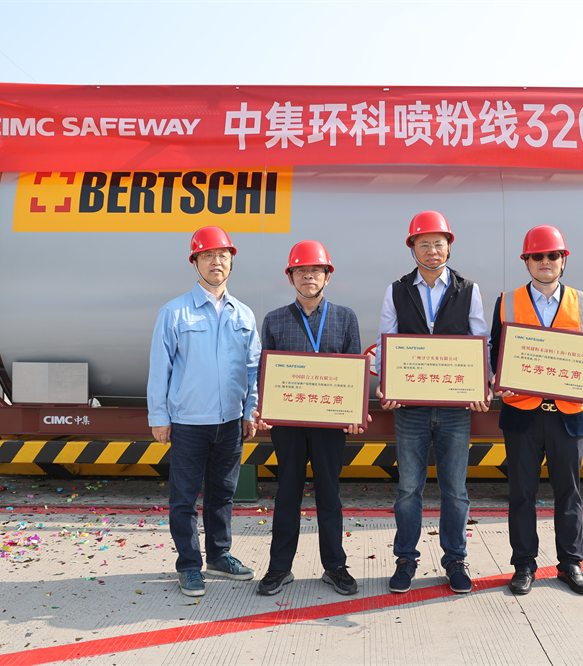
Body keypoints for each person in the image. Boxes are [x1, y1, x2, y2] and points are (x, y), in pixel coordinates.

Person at [374, 210, 492, 594]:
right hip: (410, 409)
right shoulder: (396, 291)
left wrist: (482, 385)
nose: (431, 250)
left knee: (455, 490)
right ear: (412, 248)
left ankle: (455, 559)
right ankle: (405, 559)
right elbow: (387, 339)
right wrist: (386, 384)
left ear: (449, 246)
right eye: (423, 244)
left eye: (438, 243)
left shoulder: (468, 290)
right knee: (408, 489)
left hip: (455, 408)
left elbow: (480, 341)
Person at [489, 225, 583, 597]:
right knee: (521, 494)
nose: (545, 261)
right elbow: (495, 353)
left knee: (568, 493)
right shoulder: (507, 301)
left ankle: (571, 563)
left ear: (563, 260)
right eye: (537, 256)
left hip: (568, 415)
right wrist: (496, 378)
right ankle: (524, 565)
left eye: (552, 255)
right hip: (521, 415)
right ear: (526, 261)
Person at [147, 225, 260, 598]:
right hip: (189, 423)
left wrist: (250, 411)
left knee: (222, 494)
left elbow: (253, 369)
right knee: (184, 498)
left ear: (231, 261)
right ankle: (189, 565)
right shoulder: (174, 312)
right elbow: (160, 368)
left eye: (223, 255)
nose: (217, 262)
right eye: (208, 255)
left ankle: (219, 556)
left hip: (230, 423)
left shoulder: (244, 314)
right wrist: (158, 417)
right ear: (195, 261)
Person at [253, 240, 370, 596]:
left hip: (329, 424)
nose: (308, 276)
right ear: (290, 277)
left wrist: (354, 412)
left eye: (316, 270)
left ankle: (334, 566)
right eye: (301, 271)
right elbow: (265, 372)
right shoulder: (274, 319)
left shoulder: (345, 317)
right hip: (288, 425)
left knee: (329, 494)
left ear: (327, 276)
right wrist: (263, 409)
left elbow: (353, 371)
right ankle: (279, 568)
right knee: (287, 492)